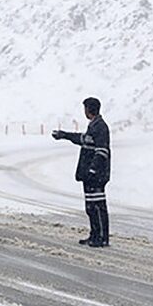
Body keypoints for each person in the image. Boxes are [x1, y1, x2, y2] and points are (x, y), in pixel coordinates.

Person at [52, 98, 111, 247]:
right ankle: (94, 235)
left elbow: (102, 151)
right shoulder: (93, 126)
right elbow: (82, 139)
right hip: (89, 175)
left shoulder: (101, 127)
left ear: (89, 110)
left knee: (97, 206)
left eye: (85, 108)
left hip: (96, 176)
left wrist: (93, 169)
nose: (84, 111)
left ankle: (102, 237)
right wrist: (64, 135)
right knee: (90, 207)